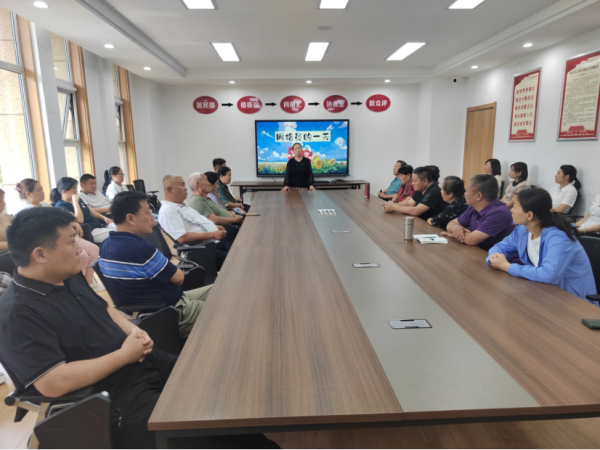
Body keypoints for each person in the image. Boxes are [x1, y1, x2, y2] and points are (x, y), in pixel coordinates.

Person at [0, 207, 281, 450]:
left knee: (223, 392)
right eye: (71, 241)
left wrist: (131, 330)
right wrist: (124, 355)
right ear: (40, 254)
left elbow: (106, 309)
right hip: (114, 397)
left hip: (143, 362)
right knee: (211, 429)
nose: (80, 248)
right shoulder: (17, 313)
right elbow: (52, 382)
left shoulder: (66, 276)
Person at [99, 192, 213, 338]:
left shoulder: (105, 245)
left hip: (163, 305)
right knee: (227, 306)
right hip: (173, 311)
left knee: (221, 290)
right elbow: (179, 278)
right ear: (130, 218)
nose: (152, 217)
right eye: (147, 212)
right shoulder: (141, 250)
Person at [487, 188, 597, 303]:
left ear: (529, 215)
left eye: (515, 207)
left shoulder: (559, 237)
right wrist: (494, 257)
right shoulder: (522, 230)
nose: (511, 210)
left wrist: (507, 267)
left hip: (574, 300)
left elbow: (549, 275)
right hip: (544, 291)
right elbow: (499, 247)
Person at [15, 179, 102, 290]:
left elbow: (58, 219)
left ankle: (89, 282)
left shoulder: (44, 205)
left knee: (94, 250)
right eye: (39, 190)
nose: (43, 192)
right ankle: (76, 286)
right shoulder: (24, 211)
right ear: (28, 194)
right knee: (82, 256)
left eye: (42, 189)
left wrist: (74, 223)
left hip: (62, 236)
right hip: (49, 241)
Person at [158, 175, 230, 270]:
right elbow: (182, 237)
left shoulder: (182, 204)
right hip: (204, 249)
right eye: (182, 185)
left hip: (214, 243)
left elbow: (197, 223)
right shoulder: (168, 210)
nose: (185, 188)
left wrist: (215, 226)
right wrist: (212, 234)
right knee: (239, 257)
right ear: (169, 189)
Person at [444, 174, 515, 250]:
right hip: (478, 251)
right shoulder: (473, 207)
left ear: (478, 196)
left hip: (497, 255)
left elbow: (470, 240)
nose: (464, 193)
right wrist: (456, 228)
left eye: (467, 190)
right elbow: (450, 224)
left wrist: (455, 234)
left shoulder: (499, 213)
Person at [51, 177, 115, 243]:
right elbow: (79, 220)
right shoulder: (61, 206)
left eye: (76, 187)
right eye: (74, 188)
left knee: (121, 228)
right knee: (118, 234)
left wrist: (104, 218)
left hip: (100, 226)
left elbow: (90, 211)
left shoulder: (78, 199)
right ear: (64, 191)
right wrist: (75, 202)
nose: (76, 190)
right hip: (90, 232)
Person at [188, 172, 243, 242]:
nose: (209, 183)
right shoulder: (198, 201)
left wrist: (233, 215)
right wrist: (235, 219)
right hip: (226, 232)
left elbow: (221, 211)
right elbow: (215, 220)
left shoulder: (205, 198)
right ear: (198, 184)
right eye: (206, 180)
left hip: (231, 226)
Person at [381, 166, 447, 221]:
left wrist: (394, 207)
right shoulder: (420, 188)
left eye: (415, 181)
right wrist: (392, 204)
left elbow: (416, 211)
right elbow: (409, 203)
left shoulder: (434, 191)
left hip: (434, 228)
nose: (412, 183)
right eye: (412, 181)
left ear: (425, 181)